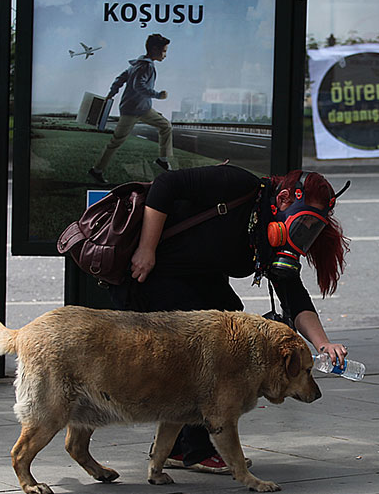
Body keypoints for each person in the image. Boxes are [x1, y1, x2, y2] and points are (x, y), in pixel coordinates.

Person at [109, 163, 351, 473]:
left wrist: (323, 344)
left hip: (194, 279)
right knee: (214, 352)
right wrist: (147, 248)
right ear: (285, 199)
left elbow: (293, 295)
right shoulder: (238, 185)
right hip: (150, 274)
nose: (304, 234)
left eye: (312, 229)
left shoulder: (271, 239)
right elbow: (167, 184)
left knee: (227, 319)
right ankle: (195, 449)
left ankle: (180, 450)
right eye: (304, 223)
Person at [89, 33, 174, 184]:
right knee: (116, 141)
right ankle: (96, 170)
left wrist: (111, 93)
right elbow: (138, 86)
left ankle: (162, 159)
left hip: (143, 109)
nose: (165, 55)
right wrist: (158, 95)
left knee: (165, 125)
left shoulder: (136, 64)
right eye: (164, 51)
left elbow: (119, 79)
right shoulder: (145, 66)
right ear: (154, 49)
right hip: (131, 111)